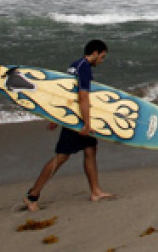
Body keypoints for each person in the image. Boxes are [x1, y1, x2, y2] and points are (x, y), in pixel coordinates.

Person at [24, 39, 115, 211]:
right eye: (102, 57)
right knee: (61, 157)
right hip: (77, 121)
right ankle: (32, 196)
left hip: (73, 118)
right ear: (94, 53)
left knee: (90, 150)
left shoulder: (75, 65)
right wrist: (87, 124)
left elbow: (64, 92)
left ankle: (95, 191)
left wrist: (55, 117)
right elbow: (83, 97)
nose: (102, 61)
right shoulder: (85, 69)